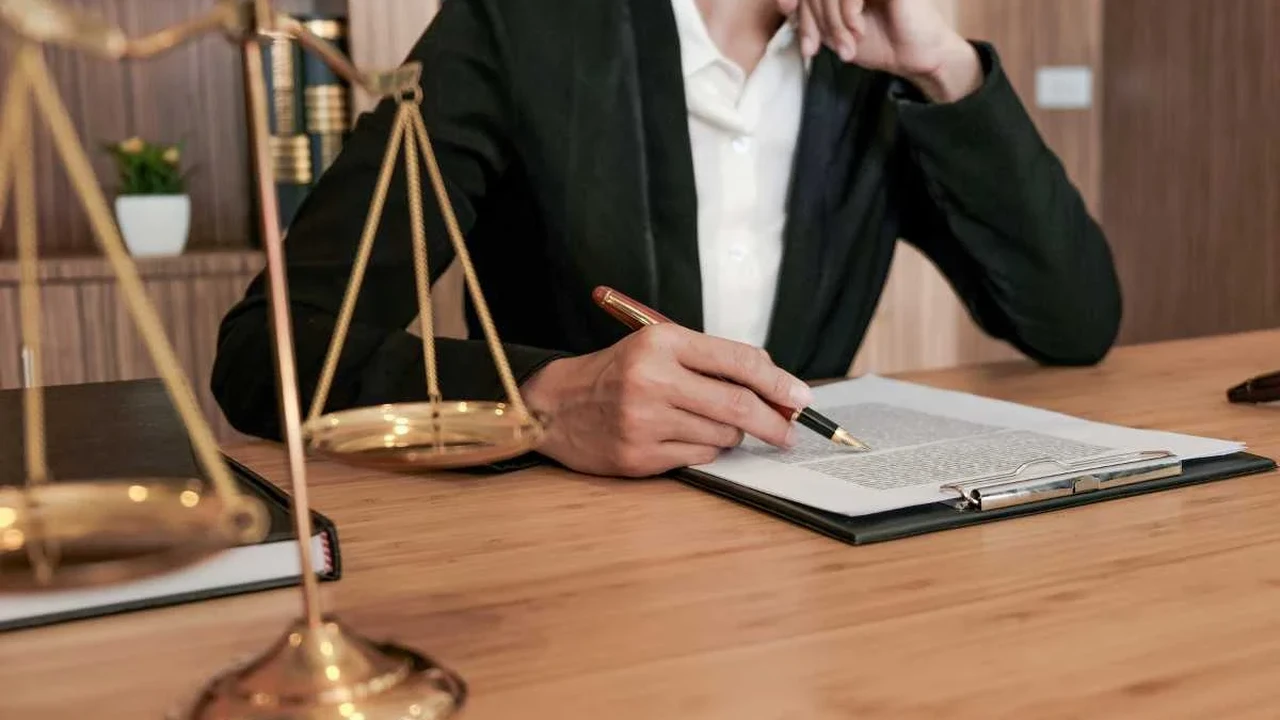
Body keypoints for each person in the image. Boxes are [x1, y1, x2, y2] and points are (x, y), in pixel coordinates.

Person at [211, 0, 1122, 478]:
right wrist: (543, 402)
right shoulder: (515, 26)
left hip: (819, 558)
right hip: (569, 559)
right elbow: (269, 354)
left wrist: (943, 65)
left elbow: (1073, 323)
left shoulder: (871, 67)